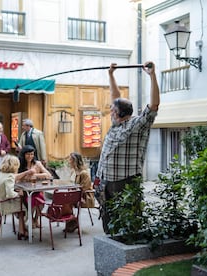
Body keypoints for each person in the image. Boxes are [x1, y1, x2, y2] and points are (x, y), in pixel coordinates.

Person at [95, 61, 160, 233]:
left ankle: (128, 250)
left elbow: (153, 106)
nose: (110, 112)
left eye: (112, 110)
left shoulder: (137, 124)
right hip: (106, 182)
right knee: (108, 219)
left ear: (119, 113)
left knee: (128, 221)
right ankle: (111, 246)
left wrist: (152, 75)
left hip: (125, 182)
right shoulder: (116, 124)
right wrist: (111, 75)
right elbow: (115, 96)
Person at [0, 155, 28, 240]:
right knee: (24, 208)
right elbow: (10, 194)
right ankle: (22, 230)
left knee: (20, 205)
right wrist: (19, 194)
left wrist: (26, 173)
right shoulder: (9, 176)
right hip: (2, 206)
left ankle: (22, 230)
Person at [16, 145, 52, 228]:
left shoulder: (37, 163)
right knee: (30, 202)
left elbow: (49, 175)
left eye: (32, 154)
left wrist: (36, 175)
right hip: (24, 190)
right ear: (24, 154)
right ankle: (31, 219)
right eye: (28, 154)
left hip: (36, 189)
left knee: (41, 203)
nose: (30, 156)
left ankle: (36, 219)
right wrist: (27, 173)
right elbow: (15, 177)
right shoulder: (19, 164)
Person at [65, 152, 95, 233]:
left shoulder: (83, 173)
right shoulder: (74, 172)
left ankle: (72, 221)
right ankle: (71, 220)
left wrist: (71, 192)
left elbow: (84, 188)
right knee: (61, 199)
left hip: (85, 197)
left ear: (75, 161)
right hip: (76, 195)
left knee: (65, 201)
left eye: (70, 159)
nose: (69, 161)